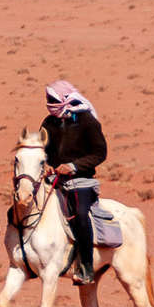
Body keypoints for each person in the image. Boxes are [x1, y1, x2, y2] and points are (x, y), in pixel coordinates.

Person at [41, 80, 107, 285]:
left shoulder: (87, 121)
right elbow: (43, 149)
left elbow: (100, 153)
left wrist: (73, 166)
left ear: (65, 99)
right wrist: (46, 164)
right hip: (55, 180)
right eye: (48, 100)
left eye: (53, 100)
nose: (49, 104)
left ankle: (86, 266)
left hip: (81, 180)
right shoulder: (49, 123)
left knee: (79, 215)